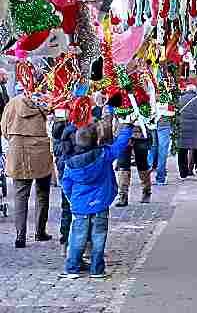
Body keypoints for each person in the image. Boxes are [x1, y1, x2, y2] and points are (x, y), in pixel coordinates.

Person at [61, 122, 134, 279]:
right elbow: (119, 146)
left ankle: (72, 267)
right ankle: (97, 269)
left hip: (80, 205)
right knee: (99, 236)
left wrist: (72, 199)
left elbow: (66, 184)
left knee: (77, 237)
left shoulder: (70, 163)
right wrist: (127, 129)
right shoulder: (103, 155)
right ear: (96, 141)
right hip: (100, 203)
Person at [1, 92, 53, 248]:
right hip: (41, 152)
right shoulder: (44, 104)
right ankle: (40, 231)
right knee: (43, 194)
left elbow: (3, 129)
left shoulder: (12, 103)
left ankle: (20, 236)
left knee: (20, 196)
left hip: (18, 152)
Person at [112, 97, 152, 206]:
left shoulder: (142, 92)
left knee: (142, 164)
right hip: (123, 132)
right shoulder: (118, 93)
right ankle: (123, 195)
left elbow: (148, 111)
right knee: (122, 164)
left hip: (140, 134)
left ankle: (146, 191)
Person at [52, 117, 77, 248]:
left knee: (66, 209)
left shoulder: (57, 130)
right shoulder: (72, 131)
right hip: (74, 176)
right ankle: (72, 242)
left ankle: (65, 241)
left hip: (65, 176)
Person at [148, 100, 173, 186]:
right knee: (162, 149)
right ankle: (160, 178)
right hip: (164, 117)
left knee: (152, 147)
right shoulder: (169, 87)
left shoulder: (149, 87)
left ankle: (146, 175)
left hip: (151, 117)